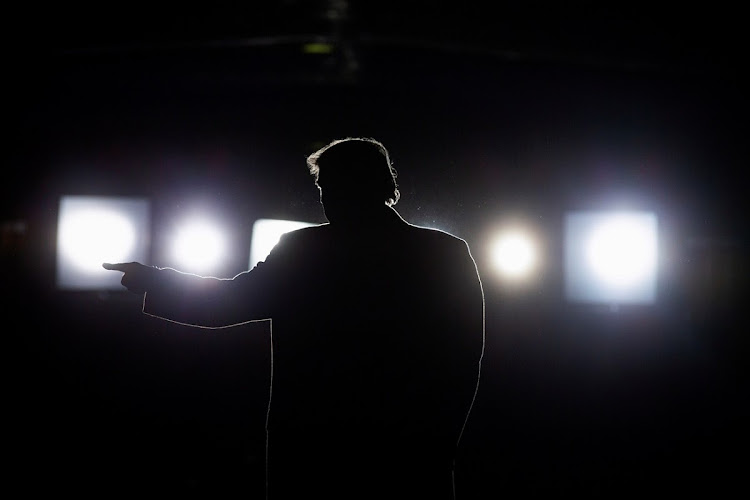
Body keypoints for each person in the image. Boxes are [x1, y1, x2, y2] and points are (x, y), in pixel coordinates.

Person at [104, 137, 484, 499]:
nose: (326, 199)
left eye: (329, 188)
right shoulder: (444, 254)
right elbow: (464, 359)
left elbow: (233, 301)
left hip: (311, 447)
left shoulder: (304, 251)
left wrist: (154, 281)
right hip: (409, 453)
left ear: (359, 186)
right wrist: (441, 443)